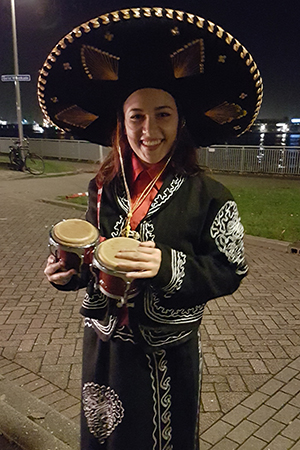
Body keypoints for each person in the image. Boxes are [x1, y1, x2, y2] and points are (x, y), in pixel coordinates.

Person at [41, 7, 262, 450]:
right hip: (105, 348)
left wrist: (169, 266)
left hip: (166, 354)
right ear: (122, 124)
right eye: (136, 117)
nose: (149, 130)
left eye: (162, 114)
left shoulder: (210, 196)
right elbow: (93, 257)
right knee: (103, 438)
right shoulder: (101, 186)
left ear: (180, 123)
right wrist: (69, 272)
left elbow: (230, 269)